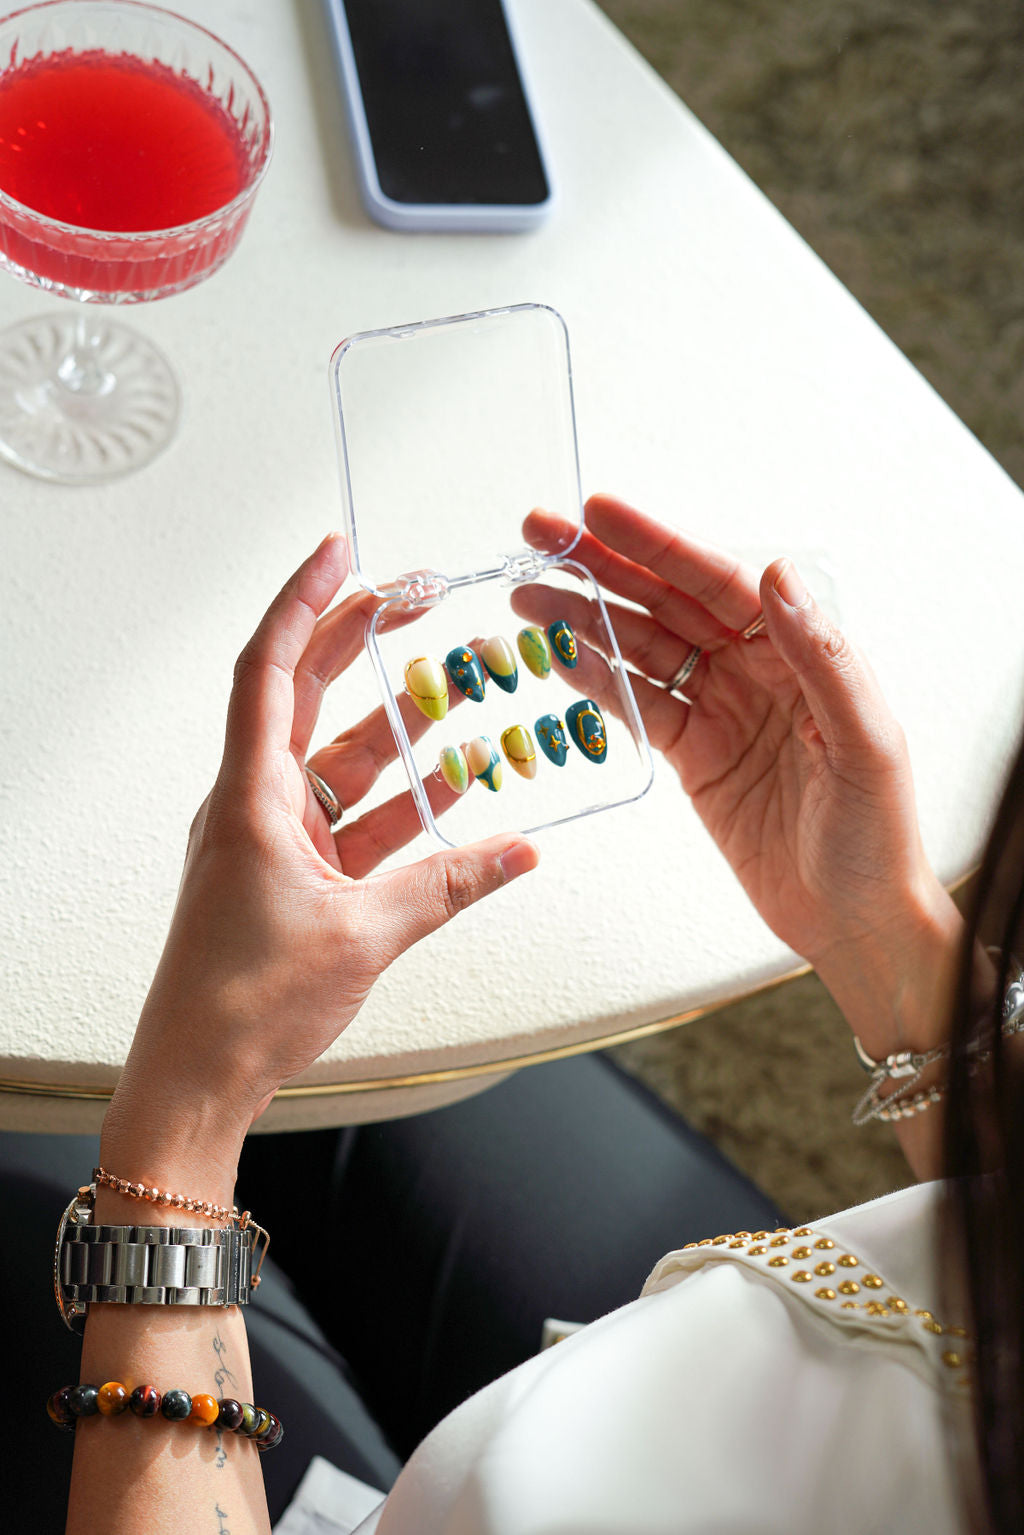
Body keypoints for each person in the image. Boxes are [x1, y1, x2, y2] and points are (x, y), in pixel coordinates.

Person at [53, 496, 1020, 1532]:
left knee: (31, 1184)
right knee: (395, 1072)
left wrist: (179, 1130)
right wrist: (884, 934)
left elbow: (175, 1132)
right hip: (735, 1338)